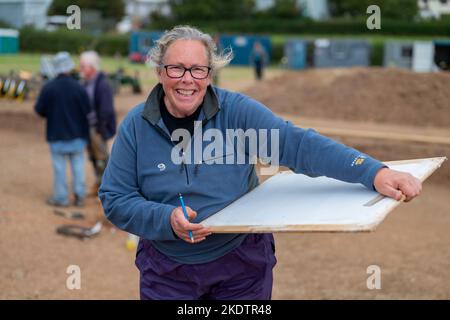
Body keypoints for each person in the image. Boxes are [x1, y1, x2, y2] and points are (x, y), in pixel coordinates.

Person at [98, 26, 422, 300]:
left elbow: (297, 145)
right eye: (176, 68)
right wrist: (164, 218)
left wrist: (373, 171)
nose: (188, 79)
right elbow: (115, 198)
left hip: (241, 266)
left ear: (210, 74)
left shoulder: (235, 112)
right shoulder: (136, 126)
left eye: (198, 69)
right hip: (167, 272)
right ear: (159, 72)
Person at [35, 52, 90, 207]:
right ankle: (80, 197)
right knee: (78, 166)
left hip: (56, 134)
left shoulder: (48, 87)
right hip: (78, 135)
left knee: (59, 168)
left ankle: (61, 198)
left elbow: (39, 110)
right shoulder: (79, 87)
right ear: (69, 67)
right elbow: (87, 110)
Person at [79, 51, 117, 196]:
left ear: (92, 67)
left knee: (101, 157)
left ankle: (108, 188)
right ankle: (98, 184)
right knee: (93, 157)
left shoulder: (102, 84)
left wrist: (101, 129)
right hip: (89, 127)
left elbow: (106, 110)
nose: (80, 69)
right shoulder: (87, 82)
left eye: (83, 66)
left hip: (98, 128)